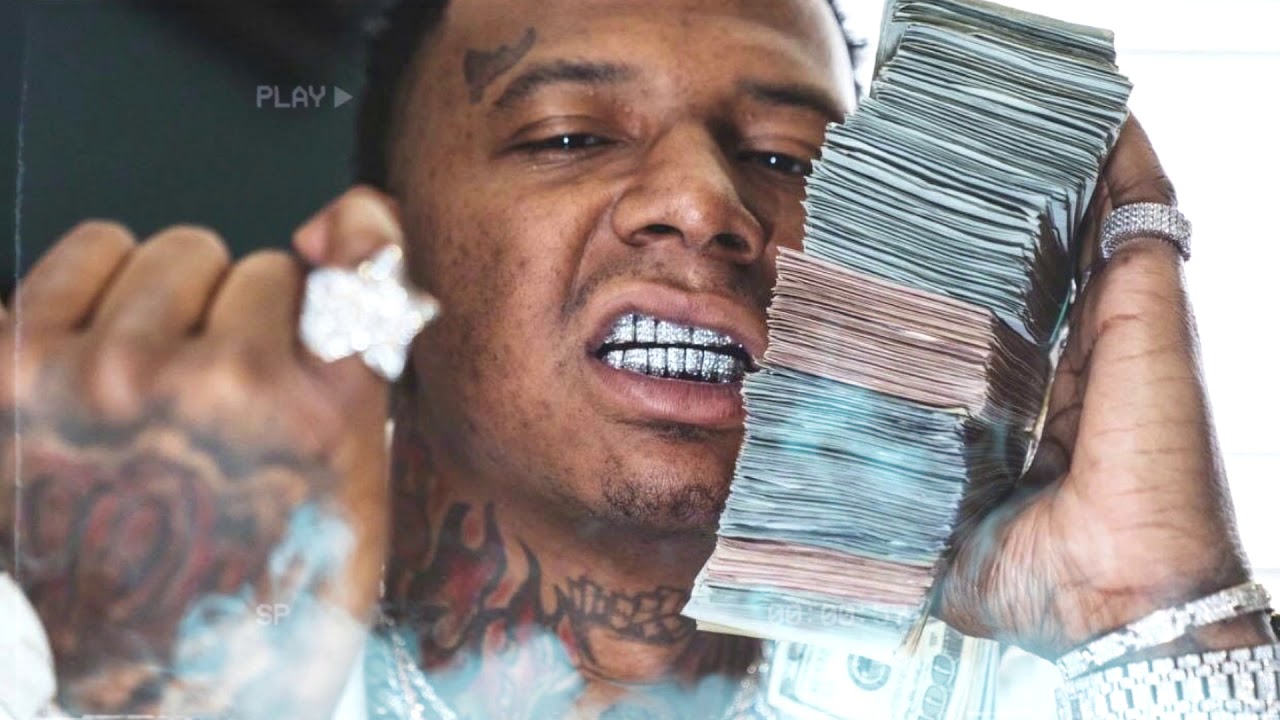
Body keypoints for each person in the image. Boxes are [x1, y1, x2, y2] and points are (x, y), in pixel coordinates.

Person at [1, 0, 1276, 718]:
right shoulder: (91, 631)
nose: (703, 204)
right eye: (568, 136)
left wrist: (1153, 615)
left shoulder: (1085, 673)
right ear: (380, 243)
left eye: (784, 157)